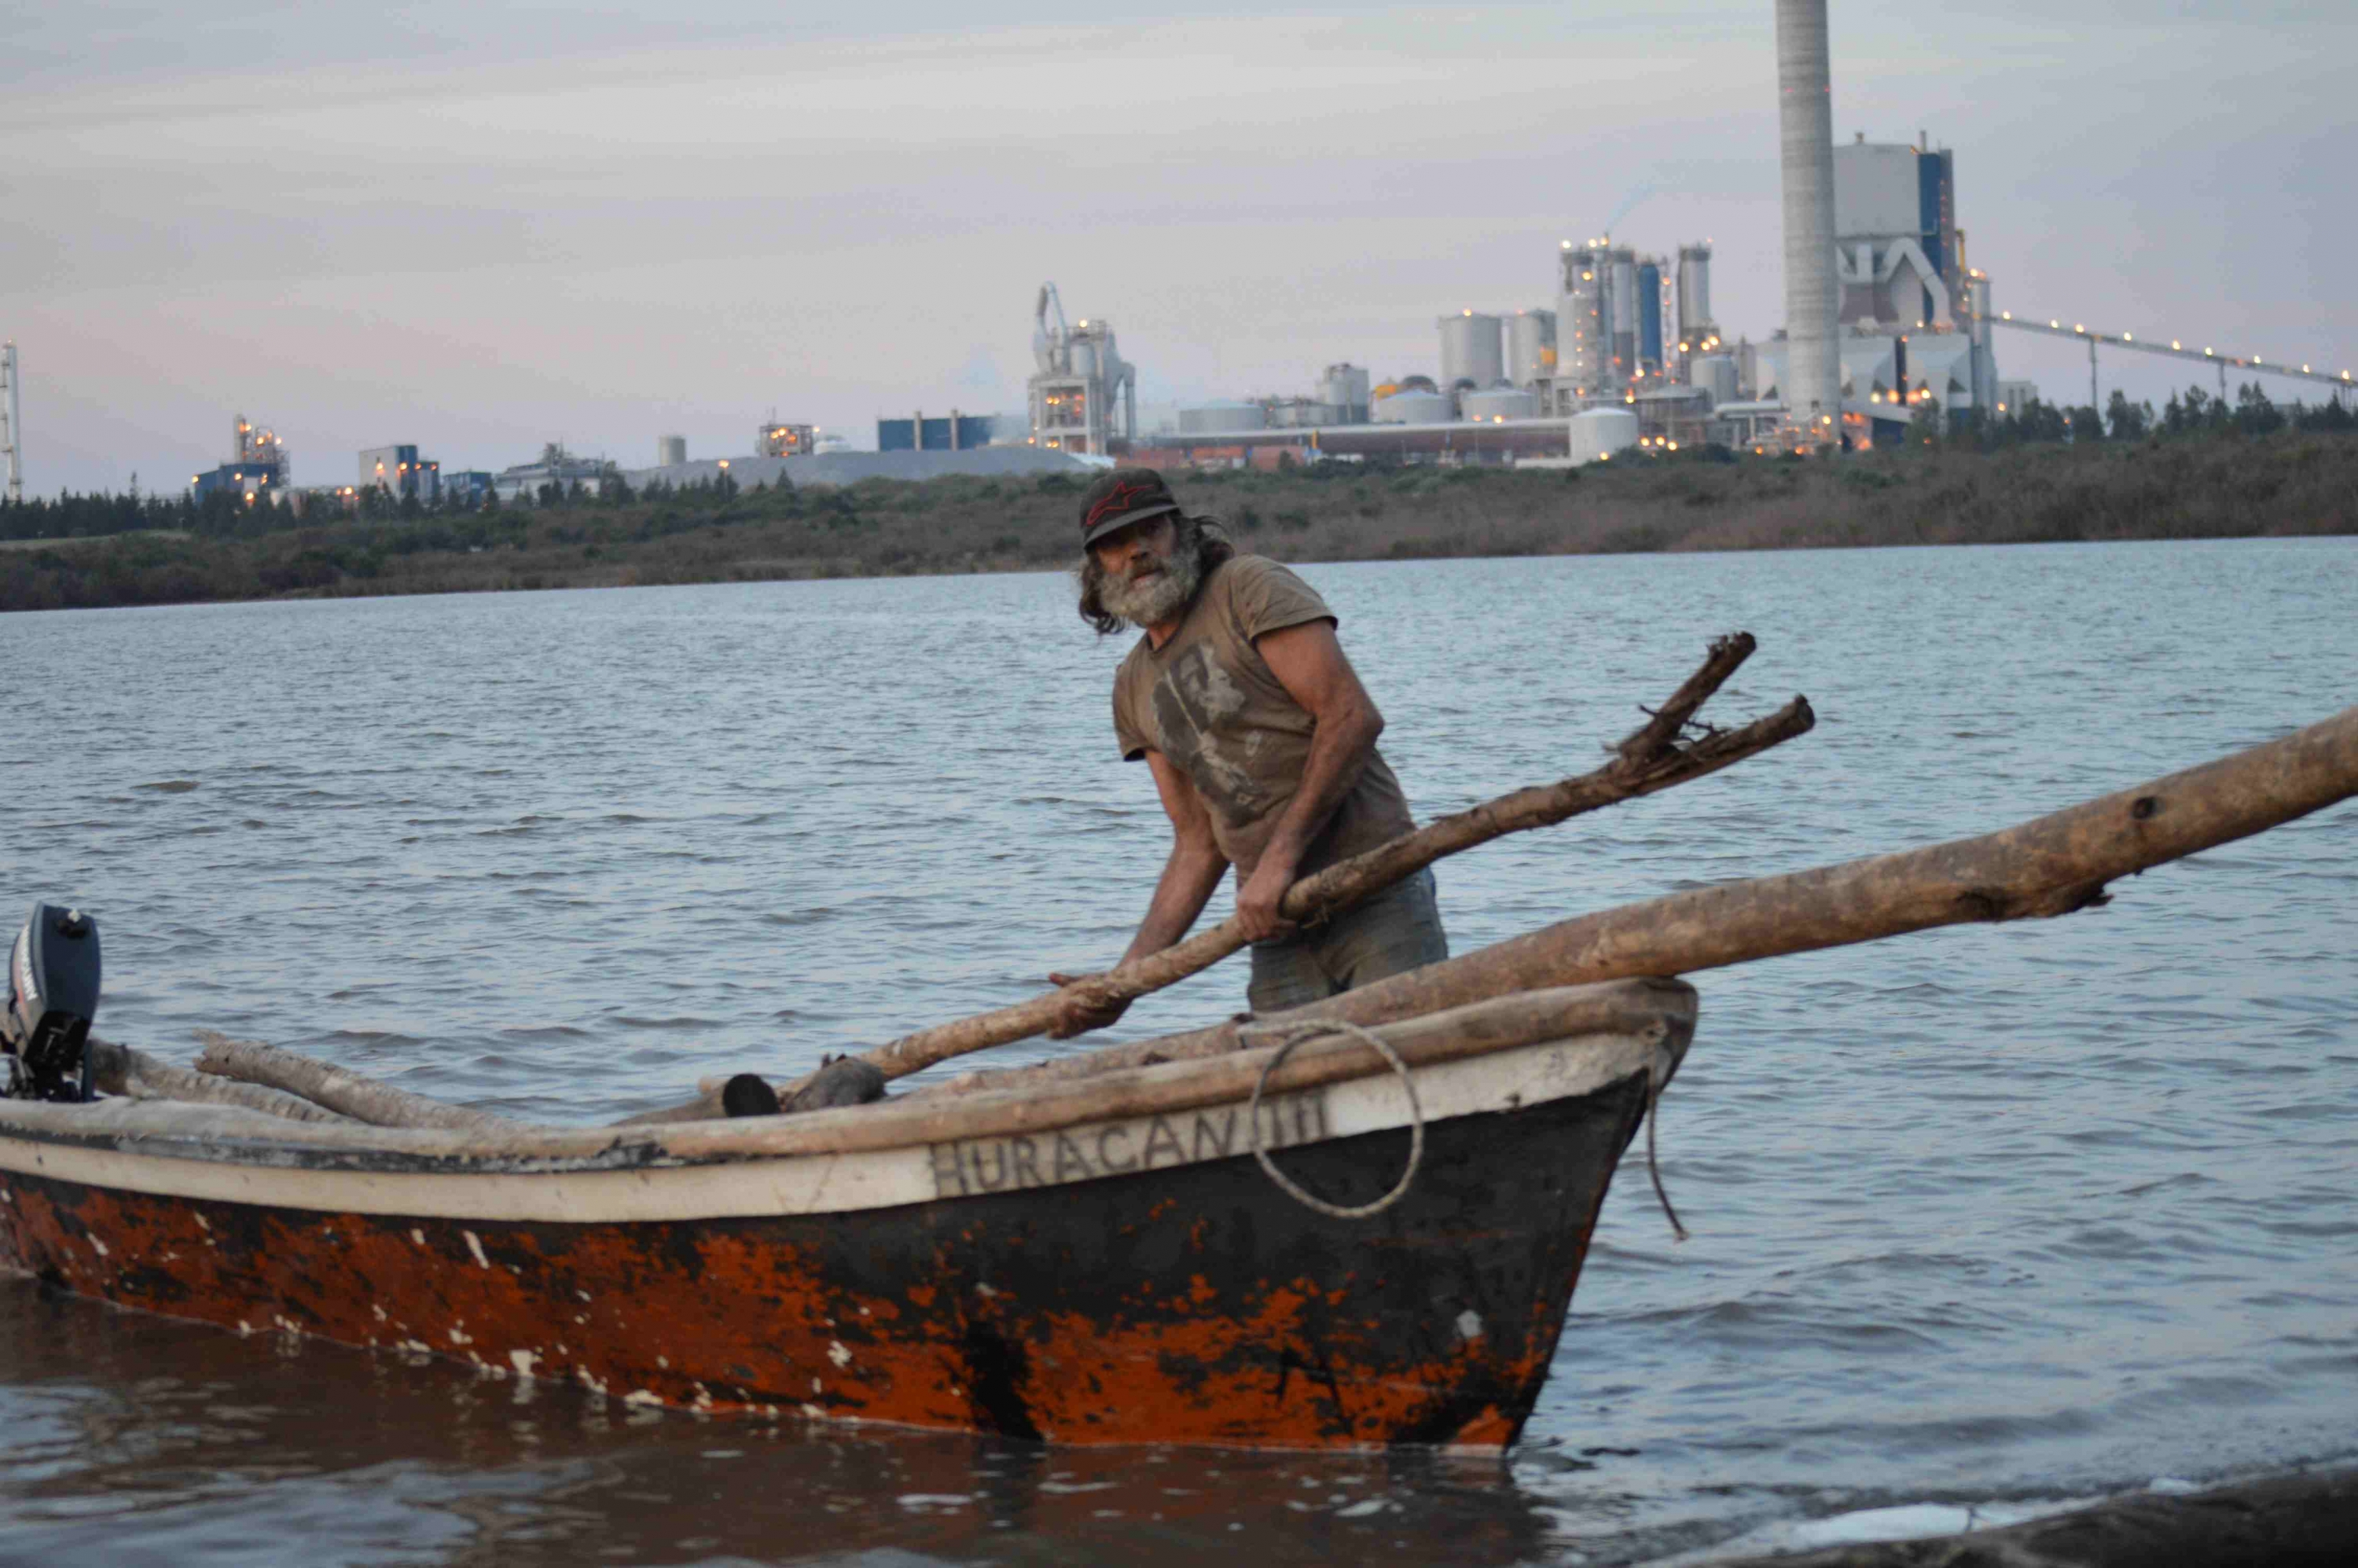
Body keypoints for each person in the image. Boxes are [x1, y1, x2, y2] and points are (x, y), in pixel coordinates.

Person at [1050, 468, 1446, 1037]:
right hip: (1274, 927)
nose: (1136, 551)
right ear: (1097, 569)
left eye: (1150, 531)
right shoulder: (1132, 686)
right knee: (1291, 1090)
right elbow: (1198, 841)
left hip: (1373, 887)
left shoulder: (1247, 588)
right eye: (1115, 543)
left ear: (1181, 533)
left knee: (1417, 1056)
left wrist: (1279, 860)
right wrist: (1125, 983)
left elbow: (1351, 717)